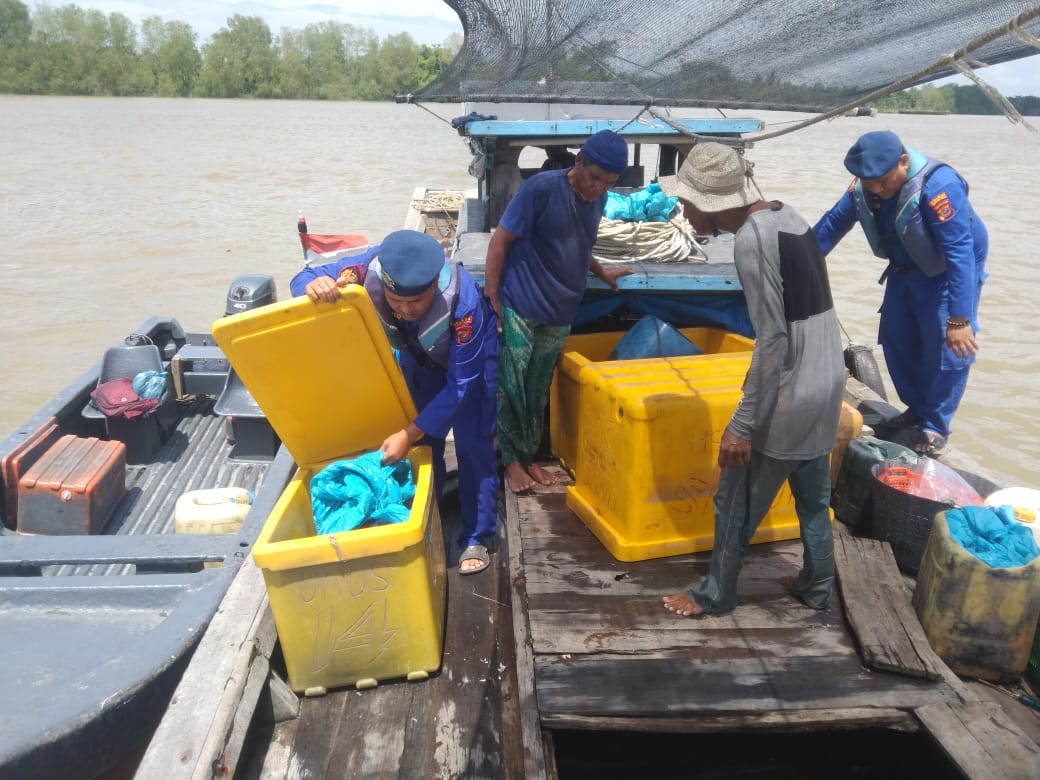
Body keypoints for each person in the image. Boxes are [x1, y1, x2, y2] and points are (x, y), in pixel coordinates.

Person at [658, 142, 845, 617]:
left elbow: (773, 340)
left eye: (685, 199)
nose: (682, 207)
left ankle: (715, 593)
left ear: (708, 202)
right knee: (813, 494)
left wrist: (743, 423)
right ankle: (817, 583)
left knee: (733, 496)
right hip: (829, 381)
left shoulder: (750, 240)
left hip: (793, 392)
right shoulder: (790, 215)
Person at [289, 230, 500, 575]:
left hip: (468, 365)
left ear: (434, 285)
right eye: (395, 302)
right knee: (426, 446)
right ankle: (427, 515)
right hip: (419, 357)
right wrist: (313, 287)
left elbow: (461, 384)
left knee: (472, 444)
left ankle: (478, 534)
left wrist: (408, 432)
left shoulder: (464, 307)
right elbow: (304, 276)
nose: (404, 310)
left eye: (415, 303)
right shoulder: (369, 266)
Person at [813, 130, 988, 456]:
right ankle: (916, 409)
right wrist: (797, 262)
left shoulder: (939, 187)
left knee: (946, 348)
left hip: (946, 273)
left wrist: (960, 317)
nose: (877, 188)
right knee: (897, 338)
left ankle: (935, 425)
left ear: (903, 161)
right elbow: (831, 226)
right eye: (868, 182)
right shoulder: (863, 188)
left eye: (882, 180)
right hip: (905, 269)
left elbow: (960, 253)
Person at [483, 129, 633, 494]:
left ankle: (529, 455)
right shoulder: (542, 189)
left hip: (561, 309)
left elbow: (580, 245)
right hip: (521, 302)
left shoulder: (597, 200)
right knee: (512, 384)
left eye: (608, 183)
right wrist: (492, 294)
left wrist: (602, 271)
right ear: (579, 161)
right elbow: (500, 239)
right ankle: (511, 463)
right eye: (595, 177)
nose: (598, 188)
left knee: (537, 388)